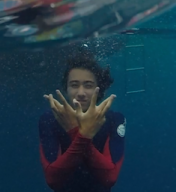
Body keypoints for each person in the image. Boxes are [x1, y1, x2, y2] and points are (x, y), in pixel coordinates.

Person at [39, 53, 125, 192]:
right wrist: (83, 135)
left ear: (100, 88)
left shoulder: (114, 120)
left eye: (88, 85)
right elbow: (52, 179)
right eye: (74, 85)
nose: (81, 92)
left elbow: (110, 178)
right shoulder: (50, 119)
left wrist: (75, 132)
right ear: (66, 89)